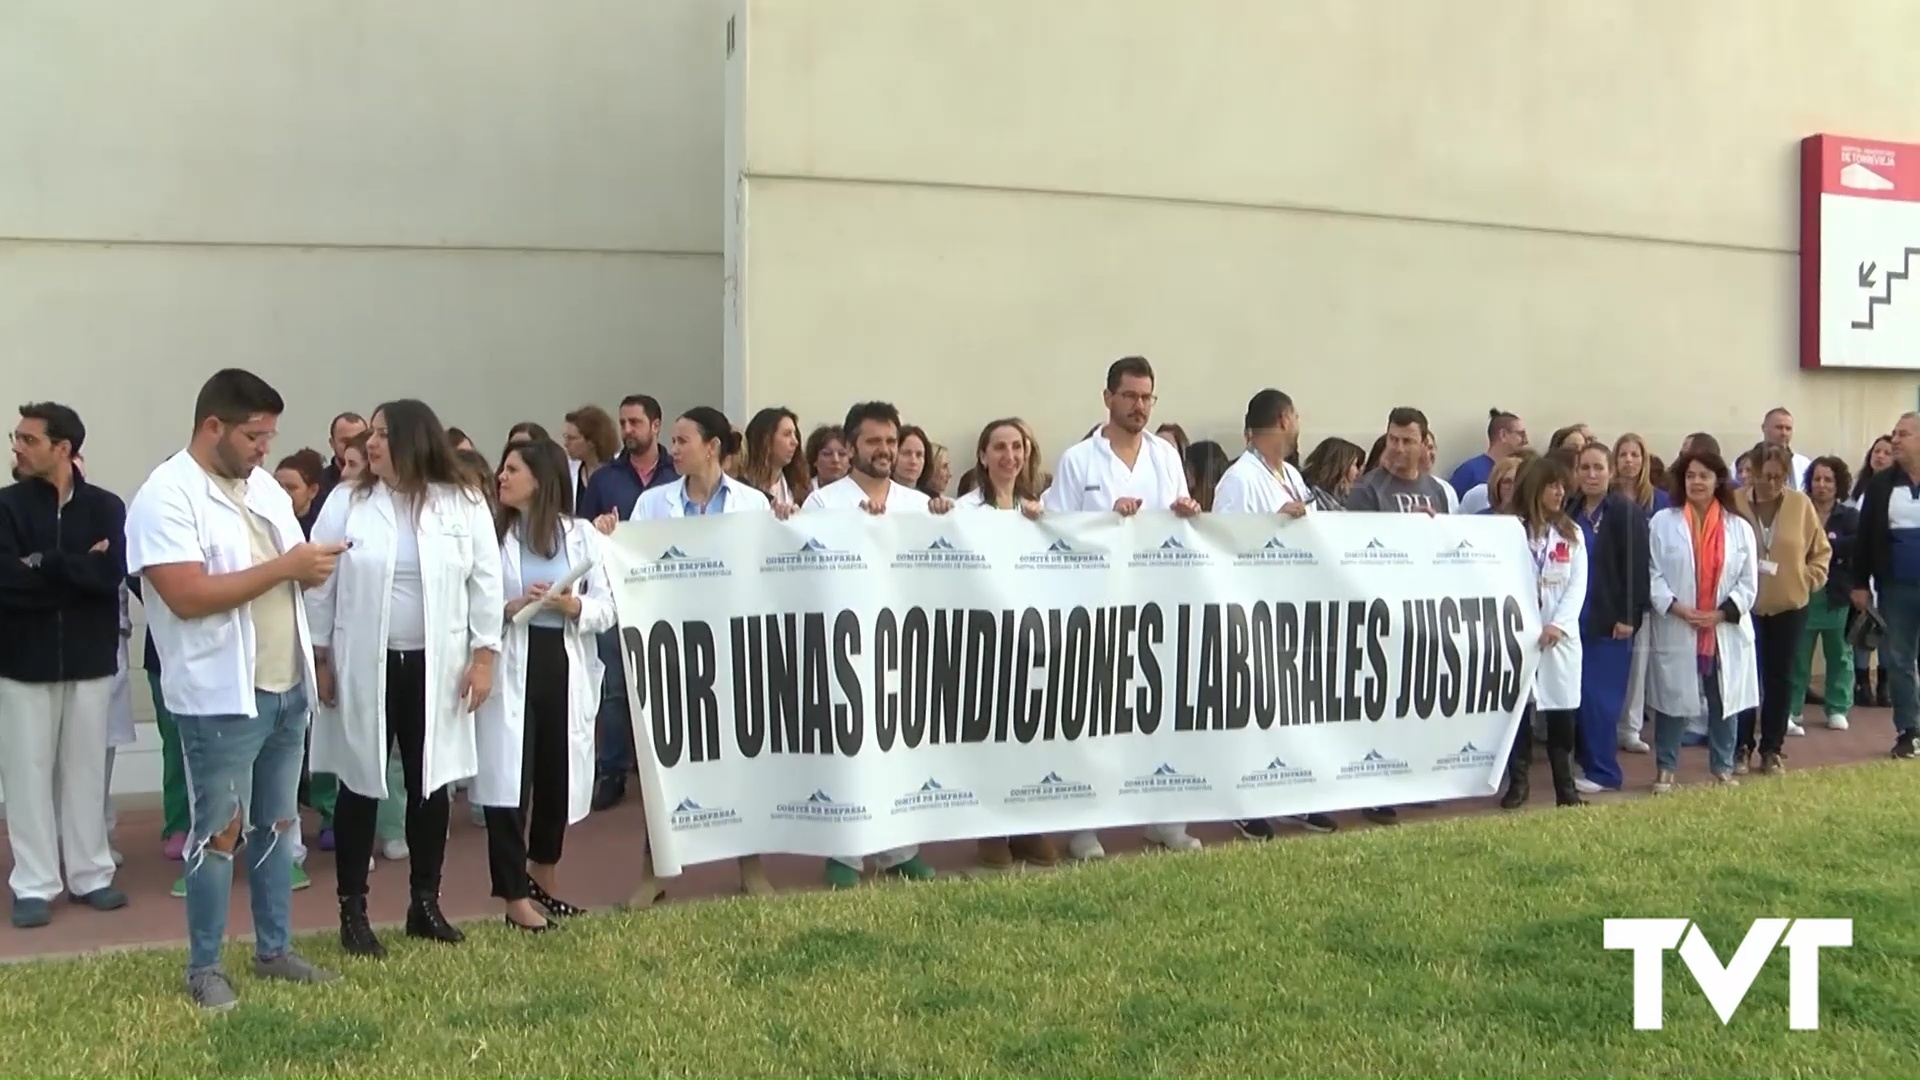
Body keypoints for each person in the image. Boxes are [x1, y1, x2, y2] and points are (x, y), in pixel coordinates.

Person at [125, 368, 343, 1009]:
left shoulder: (267, 490)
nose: (263, 449)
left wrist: (313, 570)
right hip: (220, 695)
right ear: (212, 426)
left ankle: (274, 950)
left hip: (285, 685)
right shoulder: (165, 496)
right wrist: (287, 568)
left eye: (270, 436)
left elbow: (293, 572)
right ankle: (205, 965)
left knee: (279, 825)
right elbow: (187, 596)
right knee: (218, 832)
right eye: (253, 435)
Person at [307, 399, 504, 958]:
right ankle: (354, 910)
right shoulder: (347, 501)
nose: (370, 444)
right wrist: (321, 656)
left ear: (415, 440)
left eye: (384, 434)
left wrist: (484, 656)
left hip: (435, 666)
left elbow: (485, 582)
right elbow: (321, 581)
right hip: (364, 664)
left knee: (430, 781)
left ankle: (424, 902)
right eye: (369, 434)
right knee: (360, 779)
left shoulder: (460, 502)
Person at [622, 407, 796, 904]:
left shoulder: (753, 503)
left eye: (681, 440)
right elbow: (633, 565)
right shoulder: (653, 504)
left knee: (743, 754)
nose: (673, 450)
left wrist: (782, 524)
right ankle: (655, 870)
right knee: (667, 760)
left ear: (713, 446)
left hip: (736, 646)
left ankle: (750, 865)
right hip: (671, 648)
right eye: (672, 441)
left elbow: (772, 568)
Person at [1043, 357, 1204, 858]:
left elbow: (1179, 522)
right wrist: (1107, 521)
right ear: (1108, 397)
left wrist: (1187, 513)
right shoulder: (1079, 460)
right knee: (1096, 717)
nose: (1139, 407)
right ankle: (1085, 824)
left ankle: (1164, 819)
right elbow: (1060, 532)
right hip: (1097, 605)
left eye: (1147, 397)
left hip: (1157, 602)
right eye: (1130, 396)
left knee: (1158, 712)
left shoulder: (1165, 457)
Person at [805, 401, 955, 887]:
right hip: (844, 644)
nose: (886, 451)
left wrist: (943, 521)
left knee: (899, 746)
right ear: (850, 448)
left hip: (903, 645)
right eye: (874, 441)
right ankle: (846, 853)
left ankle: (898, 850)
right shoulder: (825, 503)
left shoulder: (918, 505)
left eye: (891, 441)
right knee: (848, 746)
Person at [0, 402, 129, 928]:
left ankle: (91, 875)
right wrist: (77, 568)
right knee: (26, 773)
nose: (17, 447)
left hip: (90, 660)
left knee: (85, 770)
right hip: (22, 662)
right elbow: (7, 583)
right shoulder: (5, 508)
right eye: (17, 437)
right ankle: (33, 884)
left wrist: (45, 564)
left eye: (28, 439)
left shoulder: (106, 508)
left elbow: (110, 576)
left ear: (63, 449)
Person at [476, 438, 613, 932]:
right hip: (512, 661)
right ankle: (513, 895)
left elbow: (609, 606)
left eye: (513, 469)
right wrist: (513, 606)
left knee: (556, 778)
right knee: (510, 781)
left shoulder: (580, 537)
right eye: (502, 468)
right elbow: (469, 604)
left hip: (563, 663)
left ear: (541, 477)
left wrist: (573, 606)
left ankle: (544, 881)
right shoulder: (492, 535)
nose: (502, 478)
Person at [580, 393, 677, 812]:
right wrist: (599, 529)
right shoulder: (604, 479)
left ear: (656, 425)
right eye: (623, 422)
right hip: (618, 593)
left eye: (636, 422)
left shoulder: (676, 473)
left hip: (668, 595)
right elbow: (581, 532)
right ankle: (613, 771)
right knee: (616, 688)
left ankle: (669, 768)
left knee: (669, 686)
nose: (628, 430)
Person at [1646, 450, 1760, 791]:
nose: (1697, 482)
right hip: (1678, 622)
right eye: (1691, 475)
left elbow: (1748, 581)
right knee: (1672, 700)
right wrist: (1678, 608)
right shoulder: (1663, 522)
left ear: (1717, 481)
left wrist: (1721, 612)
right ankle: (1666, 768)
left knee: (1723, 698)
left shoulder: (1738, 527)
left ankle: (1722, 766)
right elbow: (1652, 572)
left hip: (1723, 626)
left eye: (1704, 476)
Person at [1733, 442, 1829, 774]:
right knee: (1745, 678)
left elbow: (1821, 550)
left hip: (1789, 604)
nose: (1772, 483)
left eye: (1779, 476)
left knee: (1780, 678)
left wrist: (1808, 577)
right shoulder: (1736, 503)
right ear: (1752, 472)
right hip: (1745, 606)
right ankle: (1741, 746)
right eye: (1765, 475)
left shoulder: (1801, 505)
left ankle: (1772, 748)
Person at [1498, 455, 1587, 808]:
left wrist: (1558, 624)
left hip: (1559, 640)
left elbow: (1577, 586)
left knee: (1562, 715)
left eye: (1563, 486)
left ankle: (1565, 788)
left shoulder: (1571, 533)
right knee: (1518, 713)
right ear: (1535, 487)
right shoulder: (1507, 531)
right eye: (1553, 485)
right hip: (1519, 636)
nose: (1560, 492)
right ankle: (1518, 784)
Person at [1566, 443, 1645, 794]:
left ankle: (1605, 772)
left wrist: (1628, 615)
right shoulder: (1570, 509)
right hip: (1574, 617)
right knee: (1578, 695)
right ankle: (1586, 761)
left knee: (1602, 699)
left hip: (1610, 620)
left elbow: (1637, 567)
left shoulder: (1624, 512)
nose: (1592, 475)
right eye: (1585, 468)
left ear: (1611, 471)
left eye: (1598, 467)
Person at [1848, 411, 1920, 759]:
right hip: (1896, 587)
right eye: (1894, 433)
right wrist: (1860, 583)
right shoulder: (1881, 485)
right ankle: (1909, 729)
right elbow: (1864, 538)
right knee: (1899, 659)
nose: (1895, 440)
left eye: (1903, 434)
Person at [1790, 456, 1858, 733]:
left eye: (1828, 479)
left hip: (1836, 595)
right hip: (1802, 593)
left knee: (1840, 654)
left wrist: (1830, 546)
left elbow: (1854, 548)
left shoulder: (1850, 516)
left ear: (1838, 483)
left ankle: (1838, 708)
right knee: (1797, 655)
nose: (1822, 485)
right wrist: (1831, 546)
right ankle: (1792, 709)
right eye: (1817, 479)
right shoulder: (1798, 511)